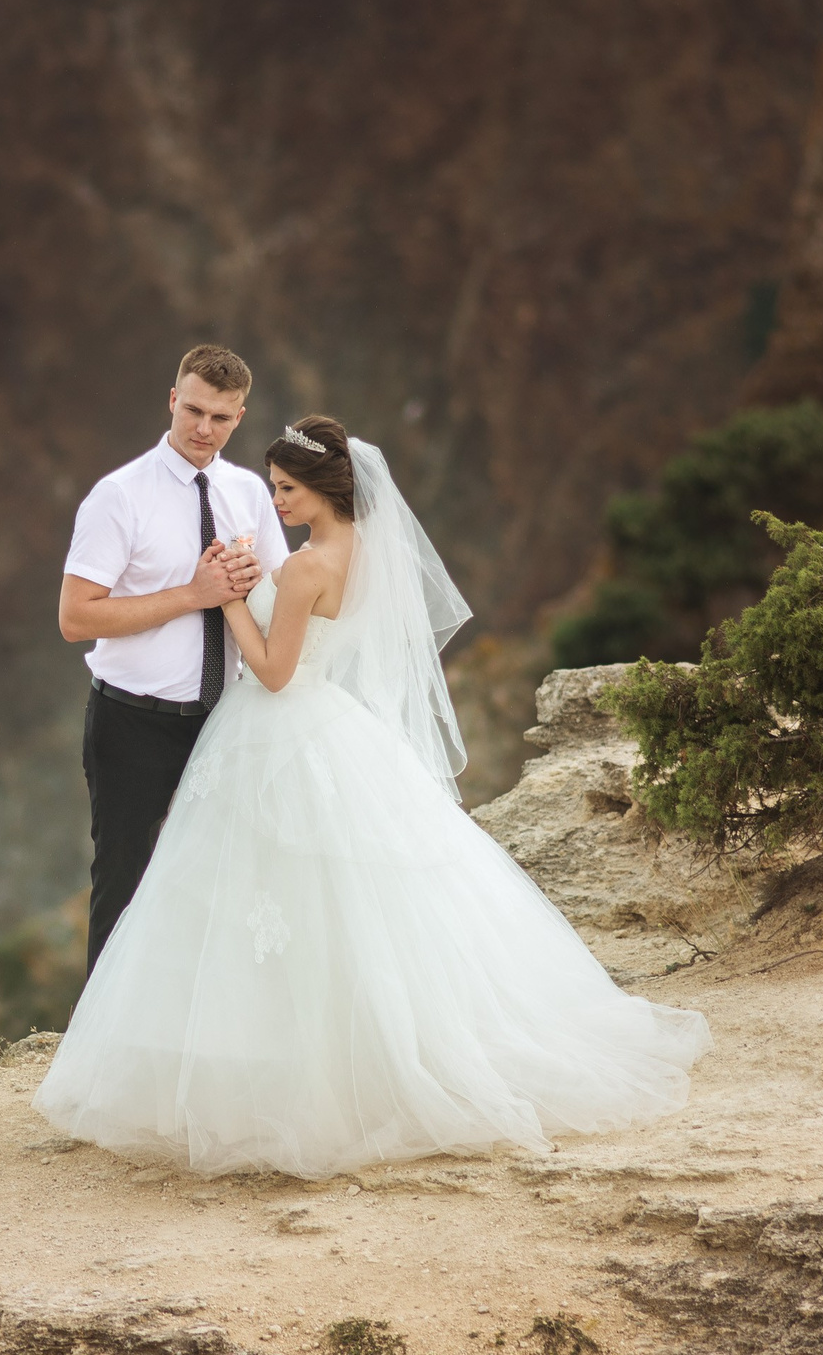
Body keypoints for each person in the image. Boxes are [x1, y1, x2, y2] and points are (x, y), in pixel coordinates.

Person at [37, 415, 710, 1179]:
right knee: (332, 905)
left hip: (274, 727)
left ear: (323, 489)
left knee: (264, 900)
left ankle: (276, 1074)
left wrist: (225, 598)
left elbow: (275, 671)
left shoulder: (303, 568)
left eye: (287, 489)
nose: (276, 500)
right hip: (331, 726)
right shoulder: (358, 553)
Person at [59, 344, 289, 972]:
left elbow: (277, 598)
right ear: (172, 400)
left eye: (220, 417)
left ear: (239, 418)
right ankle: (101, 1055)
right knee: (124, 886)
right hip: (133, 722)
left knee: (228, 887)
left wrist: (251, 587)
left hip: (227, 722)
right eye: (193, 410)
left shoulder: (249, 493)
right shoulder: (119, 496)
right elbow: (76, 618)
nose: (202, 428)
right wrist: (194, 594)